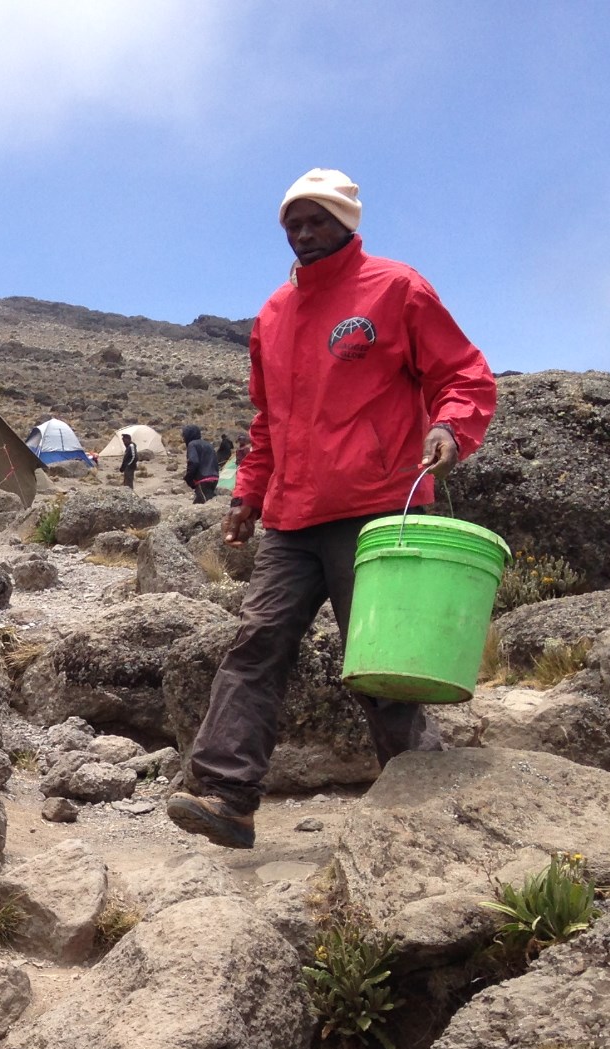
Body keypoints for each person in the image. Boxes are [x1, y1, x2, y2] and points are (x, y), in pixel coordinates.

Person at [166, 168, 497, 850]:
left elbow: (463, 374)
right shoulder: (272, 318)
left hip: (377, 508)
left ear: (348, 221)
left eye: (319, 219)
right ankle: (227, 794)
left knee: (381, 660)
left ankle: (423, 802)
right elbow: (267, 423)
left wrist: (451, 428)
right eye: (294, 221)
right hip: (291, 517)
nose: (305, 231)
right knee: (256, 644)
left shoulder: (395, 289)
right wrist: (246, 498)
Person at [181, 425, 219, 503]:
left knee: (202, 505)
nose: (183, 438)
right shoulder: (208, 445)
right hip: (214, 478)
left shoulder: (192, 444)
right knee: (205, 502)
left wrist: (188, 477)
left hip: (203, 479)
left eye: (184, 436)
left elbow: (193, 462)